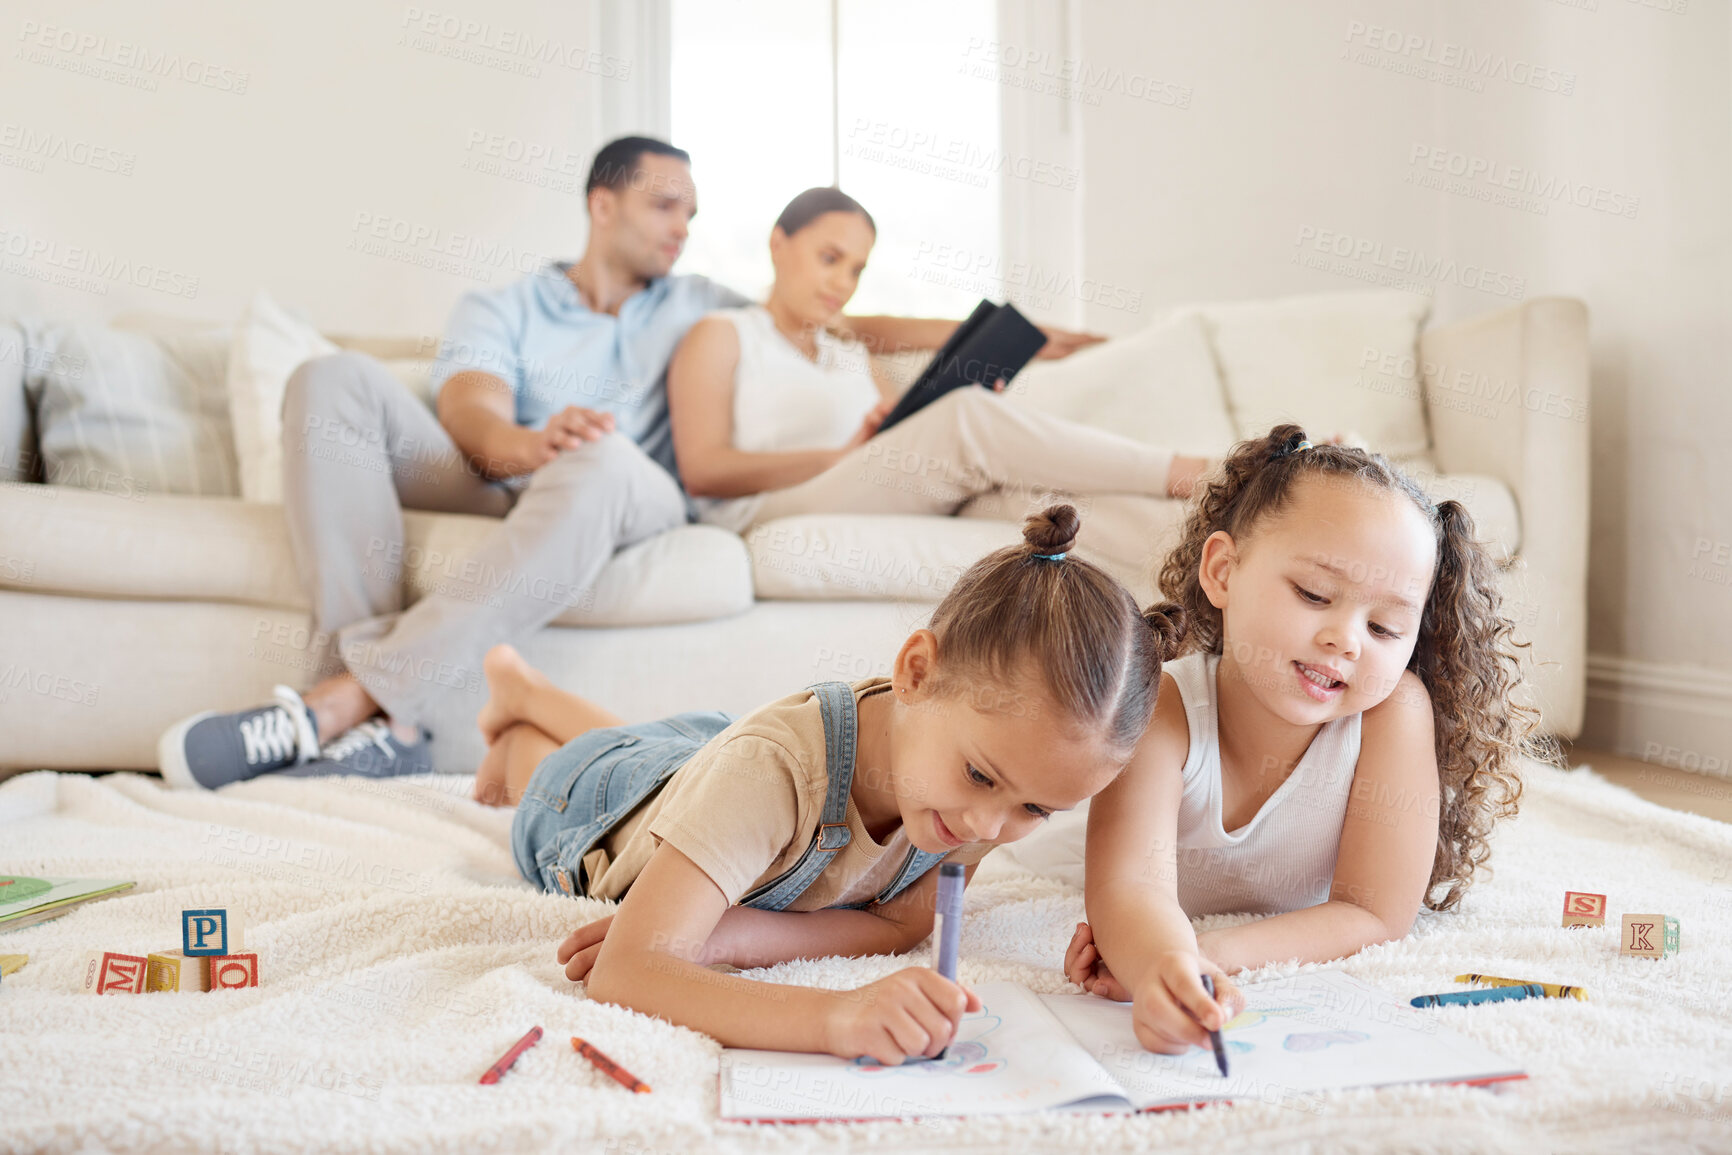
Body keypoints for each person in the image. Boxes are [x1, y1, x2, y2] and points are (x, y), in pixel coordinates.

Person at [156, 142, 1099, 788]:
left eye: (691, 212)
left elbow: (847, 321)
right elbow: (470, 402)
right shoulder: (508, 305)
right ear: (600, 204)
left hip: (622, 486)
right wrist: (517, 441)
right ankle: (375, 721)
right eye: (662, 205)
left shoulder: (695, 300)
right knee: (331, 381)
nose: (682, 226)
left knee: (599, 459)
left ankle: (338, 704)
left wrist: (1025, 339)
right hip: (505, 463)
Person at [473, 506, 1191, 1064]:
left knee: (660, 750)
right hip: (596, 804)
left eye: (1034, 808)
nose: (985, 828)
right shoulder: (773, 773)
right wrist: (833, 1016)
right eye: (981, 777)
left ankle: (529, 690)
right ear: (916, 671)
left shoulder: (983, 783)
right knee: (566, 769)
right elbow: (626, 972)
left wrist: (730, 934)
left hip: (705, 763)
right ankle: (521, 711)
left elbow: (903, 921)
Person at [1048, 425, 1544, 1057]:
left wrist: (1196, 958)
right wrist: (1154, 963)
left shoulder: (1391, 715)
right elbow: (1127, 891)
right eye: (1313, 594)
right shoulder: (1166, 709)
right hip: (1065, 861)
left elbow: (1374, 913)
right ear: (1223, 571)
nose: (1347, 639)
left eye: (1386, 627)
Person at [668, 187, 1212, 545]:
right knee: (965, 421)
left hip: (872, 483)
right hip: (770, 507)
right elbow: (703, 470)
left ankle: (1207, 526)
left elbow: (901, 436)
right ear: (778, 244)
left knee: (1033, 505)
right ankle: (1191, 470)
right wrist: (839, 456)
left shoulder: (848, 349)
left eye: (856, 269)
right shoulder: (724, 334)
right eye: (829, 258)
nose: (842, 283)